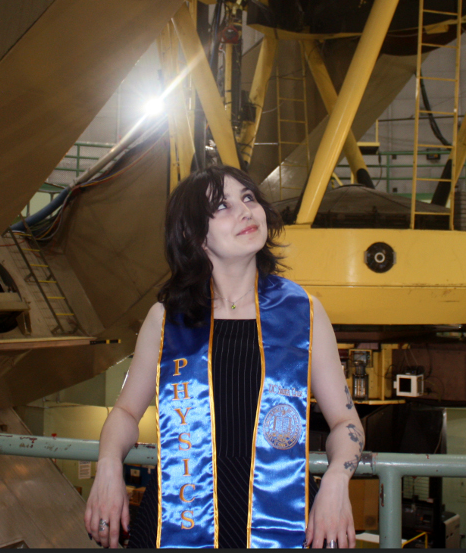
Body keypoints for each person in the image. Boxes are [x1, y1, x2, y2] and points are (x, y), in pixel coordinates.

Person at [84, 165, 364, 549]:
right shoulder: (166, 320)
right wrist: (108, 466)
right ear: (193, 234)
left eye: (248, 198)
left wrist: (336, 479)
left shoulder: (304, 313)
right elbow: (126, 412)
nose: (246, 211)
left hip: (286, 518)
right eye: (223, 206)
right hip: (178, 517)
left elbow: (346, 422)